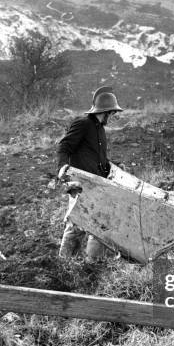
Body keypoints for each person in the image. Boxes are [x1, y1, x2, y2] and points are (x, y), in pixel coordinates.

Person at [56, 87, 124, 259]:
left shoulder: (99, 129)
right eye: (111, 113)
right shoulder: (83, 124)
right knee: (77, 226)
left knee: (100, 225)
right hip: (81, 183)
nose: (111, 117)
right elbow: (64, 146)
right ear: (105, 112)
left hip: (96, 184)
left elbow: (99, 159)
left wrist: (113, 168)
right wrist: (63, 168)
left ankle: (92, 264)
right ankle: (65, 264)